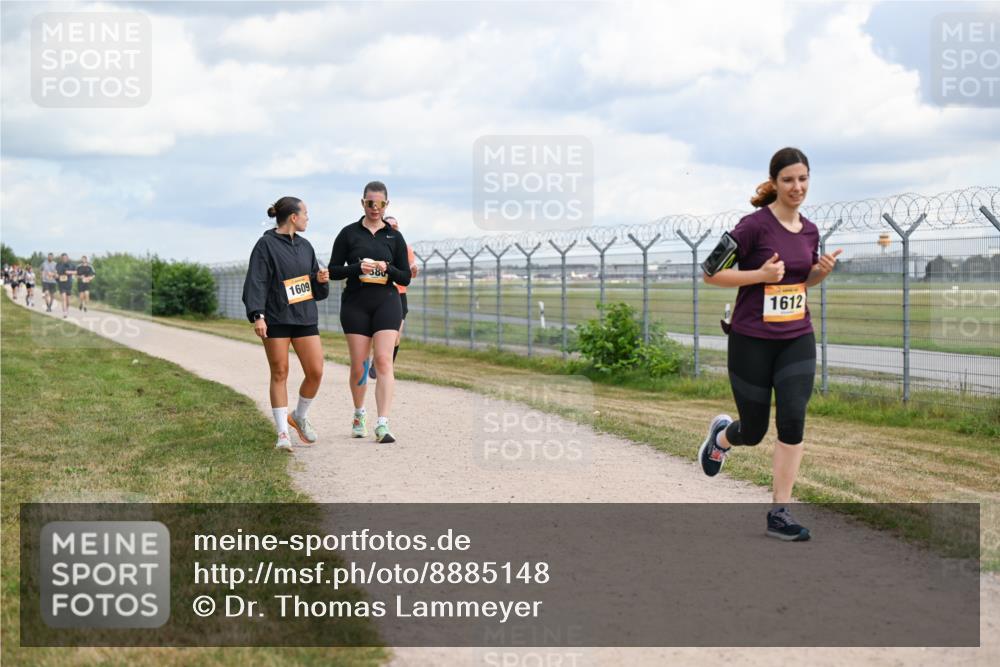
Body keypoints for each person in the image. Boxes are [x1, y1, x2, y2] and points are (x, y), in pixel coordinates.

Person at [697, 147, 842, 541]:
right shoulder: (753, 226)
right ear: (775, 183)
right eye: (789, 180)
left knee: (793, 419)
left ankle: (780, 512)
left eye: (803, 179)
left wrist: (819, 274)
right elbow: (710, 273)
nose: (797, 187)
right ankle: (722, 438)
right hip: (751, 340)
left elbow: (798, 281)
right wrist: (759, 273)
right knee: (756, 429)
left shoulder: (810, 230)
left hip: (796, 336)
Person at [242, 197, 330, 452]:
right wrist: (258, 315)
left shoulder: (306, 246)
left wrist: (320, 280)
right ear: (293, 217)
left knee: (316, 371)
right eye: (305, 214)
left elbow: (314, 288)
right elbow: (256, 281)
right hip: (276, 318)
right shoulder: (265, 245)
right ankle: (282, 433)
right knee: (280, 372)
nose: (307, 219)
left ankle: (299, 416)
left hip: (304, 317)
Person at [327, 181, 411, 443]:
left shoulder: (394, 237)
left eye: (381, 204)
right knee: (360, 366)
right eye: (370, 203)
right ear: (362, 203)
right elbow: (333, 270)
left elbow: (405, 277)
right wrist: (357, 268)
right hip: (355, 304)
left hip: (387, 300)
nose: (375, 208)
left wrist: (388, 269)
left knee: (384, 361)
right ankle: (358, 413)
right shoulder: (349, 234)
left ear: (387, 204)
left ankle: (383, 423)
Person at [368, 215, 418, 380]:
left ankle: (385, 365)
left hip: (399, 294)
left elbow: (410, 266)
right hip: (381, 293)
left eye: (395, 227)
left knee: (396, 336)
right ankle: (379, 362)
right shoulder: (375, 245)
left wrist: (414, 268)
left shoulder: (404, 247)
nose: (392, 229)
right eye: (389, 226)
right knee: (379, 334)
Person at [55, 253, 76, 318]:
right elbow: (56, 272)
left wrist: (70, 272)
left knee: (68, 300)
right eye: (63, 258)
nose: (64, 259)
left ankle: (66, 310)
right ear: (61, 258)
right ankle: (64, 313)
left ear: (67, 258)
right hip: (61, 284)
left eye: (65, 258)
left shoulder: (71, 265)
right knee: (63, 298)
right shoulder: (58, 265)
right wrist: (56, 275)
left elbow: (77, 272)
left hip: (69, 284)